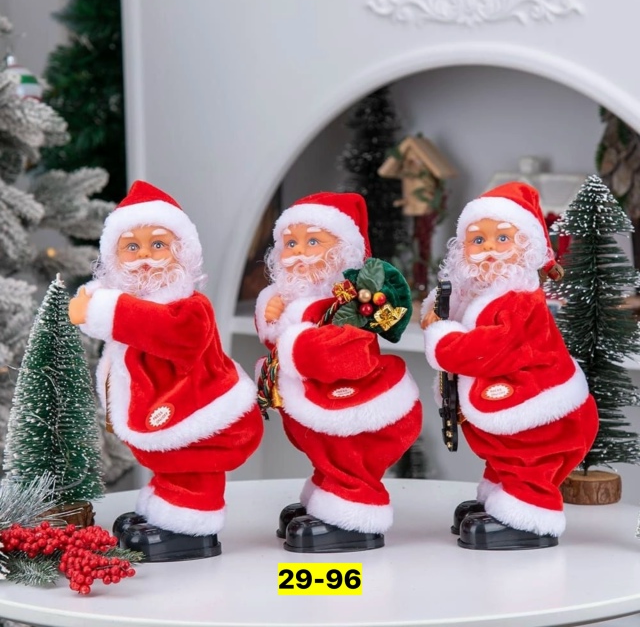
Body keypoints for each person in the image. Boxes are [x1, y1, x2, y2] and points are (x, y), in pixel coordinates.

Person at [68, 180, 264, 562]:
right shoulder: (137, 303)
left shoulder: (191, 307)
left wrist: (102, 310)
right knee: (169, 462)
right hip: (160, 413)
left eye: (157, 245)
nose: (145, 256)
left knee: (191, 463)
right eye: (131, 247)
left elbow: (167, 330)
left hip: (197, 410)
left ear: (181, 252)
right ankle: (163, 507)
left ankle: (190, 526)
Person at [421, 181, 598, 550]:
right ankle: (500, 496)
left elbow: (491, 346)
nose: (489, 249)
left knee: (528, 456)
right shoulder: (486, 294)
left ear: (526, 247)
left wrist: (443, 341)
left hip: (540, 411)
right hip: (509, 401)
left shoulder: (521, 300)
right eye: (478, 240)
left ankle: (529, 514)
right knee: (502, 453)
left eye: (502, 239)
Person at [255, 191, 422, 553]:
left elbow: (345, 354)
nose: (299, 252)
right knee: (322, 449)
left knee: (346, 452)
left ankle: (354, 512)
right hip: (312, 400)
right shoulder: (295, 299)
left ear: (343, 252)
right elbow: (277, 338)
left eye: (313, 241)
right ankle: (326, 494)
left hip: (350, 404)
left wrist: (294, 341)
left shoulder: (350, 304)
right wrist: (273, 315)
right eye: (291, 243)